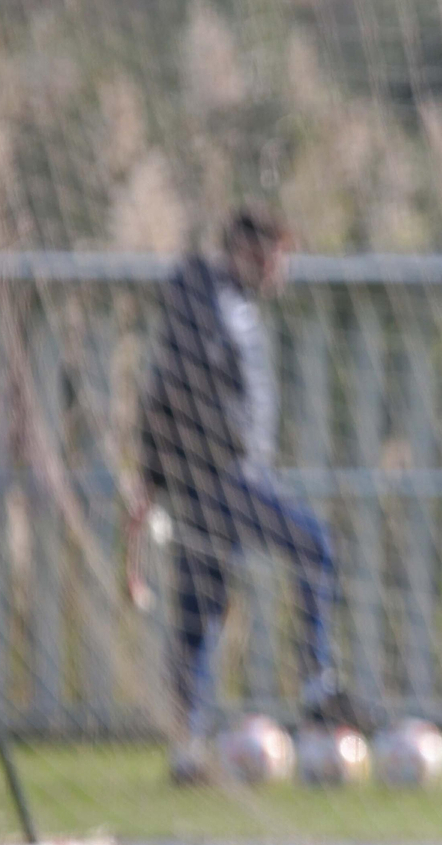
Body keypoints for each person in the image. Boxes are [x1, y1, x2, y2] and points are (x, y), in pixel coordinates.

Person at [129, 206, 348, 783]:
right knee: (313, 544)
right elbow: (168, 391)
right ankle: (315, 684)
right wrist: (151, 481)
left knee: (199, 615)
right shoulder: (207, 304)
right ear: (250, 250)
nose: (283, 271)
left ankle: (188, 749)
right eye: (278, 257)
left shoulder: (234, 305)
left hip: (216, 480)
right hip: (220, 479)